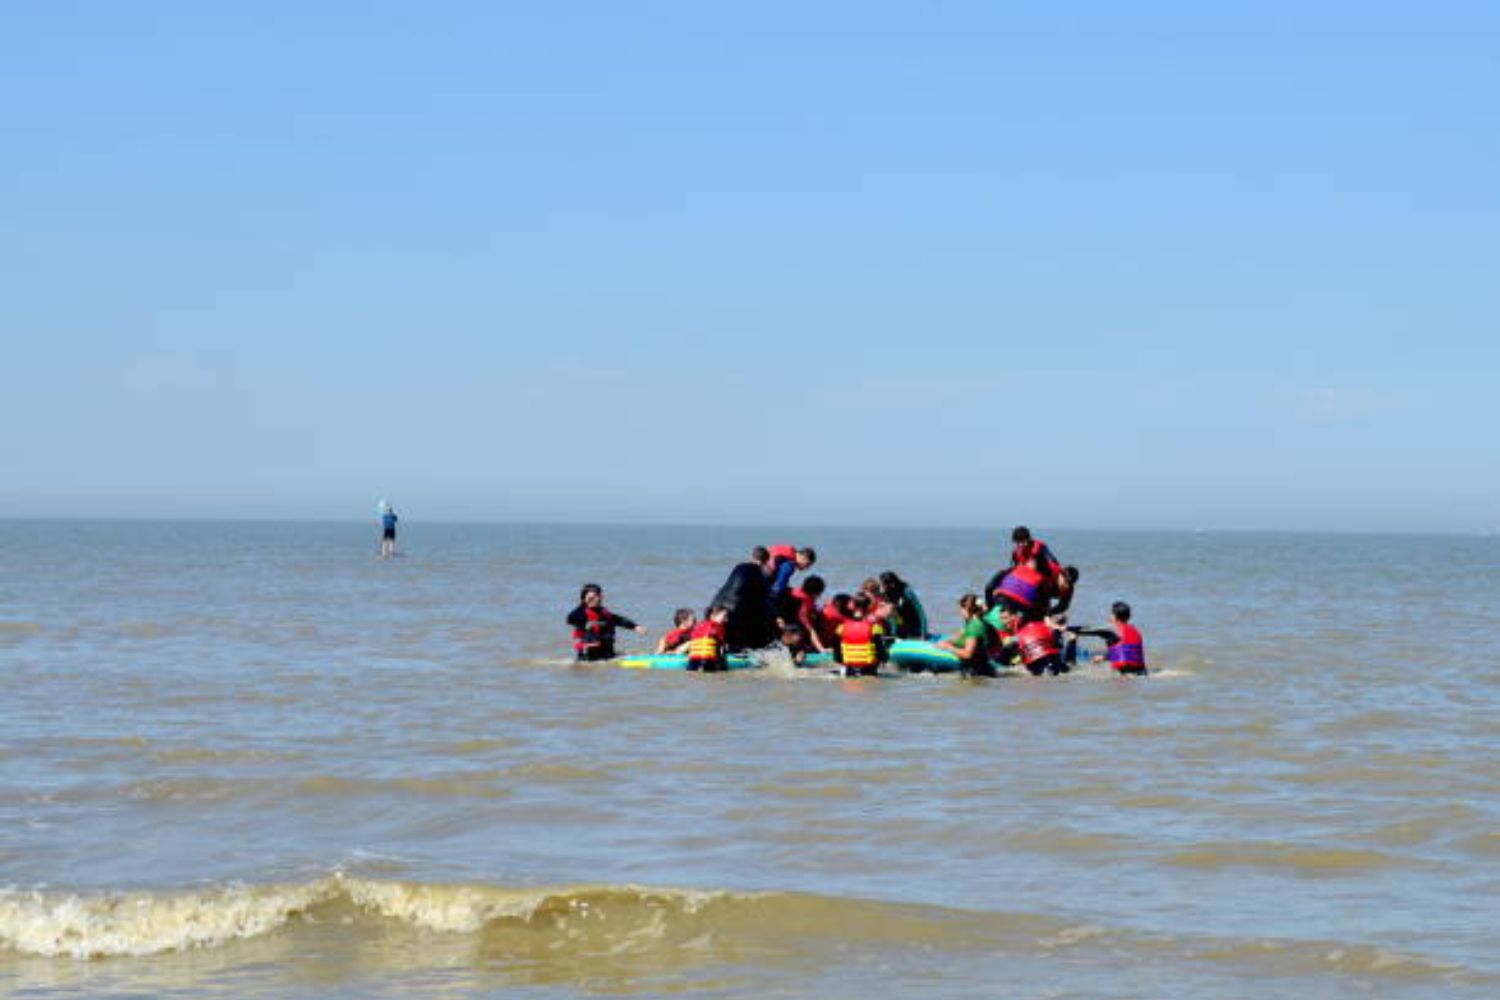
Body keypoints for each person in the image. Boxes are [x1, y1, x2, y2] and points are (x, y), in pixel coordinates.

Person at [565, 584, 647, 661]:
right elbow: (570, 619)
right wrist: (584, 623)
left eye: (598, 596)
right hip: (590, 655)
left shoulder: (603, 612)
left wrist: (635, 627)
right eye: (592, 597)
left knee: (624, 657)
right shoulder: (581, 612)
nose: (597, 599)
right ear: (584, 599)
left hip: (606, 651)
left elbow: (618, 620)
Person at [709, 556, 774, 651]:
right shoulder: (760, 575)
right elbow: (762, 603)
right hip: (734, 608)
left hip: (716, 603)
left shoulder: (740, 566)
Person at [1068, 601, 1148, 676]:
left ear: (1114, 616)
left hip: (1122, 673)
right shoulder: (1136, 631)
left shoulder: (1113, 630)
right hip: (1141, 672)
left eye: (1111, 614)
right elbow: (1126, 652)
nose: (1109, 616)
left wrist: (1064, 629)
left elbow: (1088, 631)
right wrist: (1104, 657)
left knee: (1082, 654)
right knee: (1096, 654)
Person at [936, 593, 999, 677]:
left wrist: (947, 647)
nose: (960, 612)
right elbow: (960, 637)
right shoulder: (979, 622)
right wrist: (946, 642)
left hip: (975, 673)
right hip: (983, 669)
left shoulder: (974, 626)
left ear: (967, 609)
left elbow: (967, 654)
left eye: (961, 609)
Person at [996, 607, 1069, 676]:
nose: (1003, 622)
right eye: (1001, 619)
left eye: (1005, 618)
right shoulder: (1005, 631)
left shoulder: (1023, 625)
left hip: (1042, 659)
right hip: (1045, 660)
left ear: (1014, 616)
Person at [778, 575, 828, 653]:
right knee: (804, 630)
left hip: (778, 619)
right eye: (820, 593)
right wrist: (821, 649)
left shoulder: (793, 591)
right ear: (815, 593)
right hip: (786, 627)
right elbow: (810, 629)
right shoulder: (804, 602)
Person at [836, 596, 884, 677]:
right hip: (869, 671)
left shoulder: (841, 628)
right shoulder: (875, 627)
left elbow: (837, 654)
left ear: (853, 607)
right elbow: (881, 652)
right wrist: (884, 660)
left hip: (849, 670)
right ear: (869, 608)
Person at [879, 571, 929, 640]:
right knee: (887, 608)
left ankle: (897, 634)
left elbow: (921, 613)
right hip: (899, 624)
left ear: (892, 584)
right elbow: (893, 616)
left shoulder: (907, 592)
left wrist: (923, 635)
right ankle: (893, 634)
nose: (882, 587)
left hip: (913, 625)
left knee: (891, 609)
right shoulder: (886, 594)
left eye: (883, 585)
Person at [687, 605, 731, 672]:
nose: (727, 620)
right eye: (724, 616)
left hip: (693, 662)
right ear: (712, 616)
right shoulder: (718, 627)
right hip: (708, 662)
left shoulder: (699, 626)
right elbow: (721, 648)